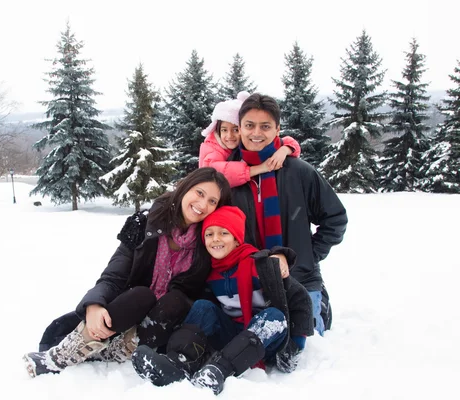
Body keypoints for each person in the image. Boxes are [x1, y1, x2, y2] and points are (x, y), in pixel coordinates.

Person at [23, 167, 232, 378]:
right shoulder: (143, 224)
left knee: (176, 300)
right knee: (142, 294)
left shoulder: (210, 243)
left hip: (162, 327)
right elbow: (115, 273)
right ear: (185, 187)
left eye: (213, 201)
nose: (203, 205)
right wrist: (94, 304)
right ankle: (64, 353)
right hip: (126, 311)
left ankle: (118, 349)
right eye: (199, 193)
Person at [132, 206, 314, 395]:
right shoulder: (211, 272)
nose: (215, 239)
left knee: (274, 316)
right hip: (233, 336)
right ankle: (178, 363)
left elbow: (301, 300)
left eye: (224, 233)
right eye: (209, 234)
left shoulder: (261, 266)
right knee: (203, 306)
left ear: (236, 239)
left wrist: (296, 345)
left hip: (267, 340)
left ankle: (220, 371)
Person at [227, 93, 347, 335]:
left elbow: (335, 219)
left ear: (278, 129)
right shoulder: (228, 177)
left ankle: (319, 301)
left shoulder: (299, 172)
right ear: (239, 128)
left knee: (304, 344)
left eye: (265, 126)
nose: (256, 133)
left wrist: (308, 256)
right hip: (249, 282)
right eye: (249, 125)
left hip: (300, 278)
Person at [199, 91, 301, 188]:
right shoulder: (214, 148)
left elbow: (289, 142)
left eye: (234, 130)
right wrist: (259, 168)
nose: (229, 136)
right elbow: (216, 174)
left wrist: (285, 150)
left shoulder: (302, 172)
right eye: (224, 130)